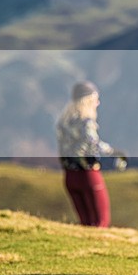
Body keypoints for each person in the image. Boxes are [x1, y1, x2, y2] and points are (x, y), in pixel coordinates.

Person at [56, 81, 126, 227]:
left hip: (69, 176)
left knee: (86, 224)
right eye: (95, 99)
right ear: (88, 100)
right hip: (88, 175)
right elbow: (93, 144)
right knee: (101, 222)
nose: (98, 103)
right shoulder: (86, 122)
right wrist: (113, 153)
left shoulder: (63, 122)